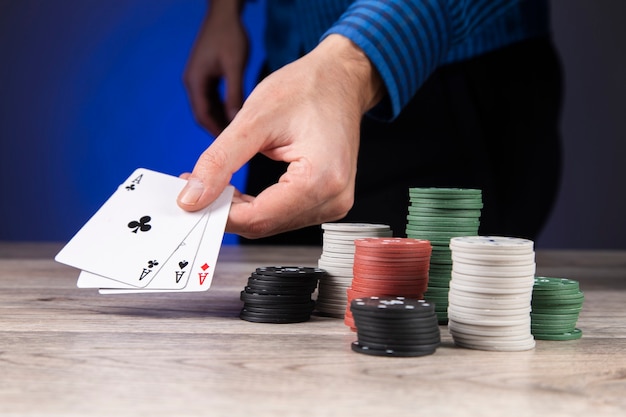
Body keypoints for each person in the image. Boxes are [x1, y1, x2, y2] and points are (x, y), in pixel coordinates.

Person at [177, 0, 563, 245]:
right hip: (290, 74)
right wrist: (224, 10)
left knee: (426, 342)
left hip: (449, 73)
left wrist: (349, 66)